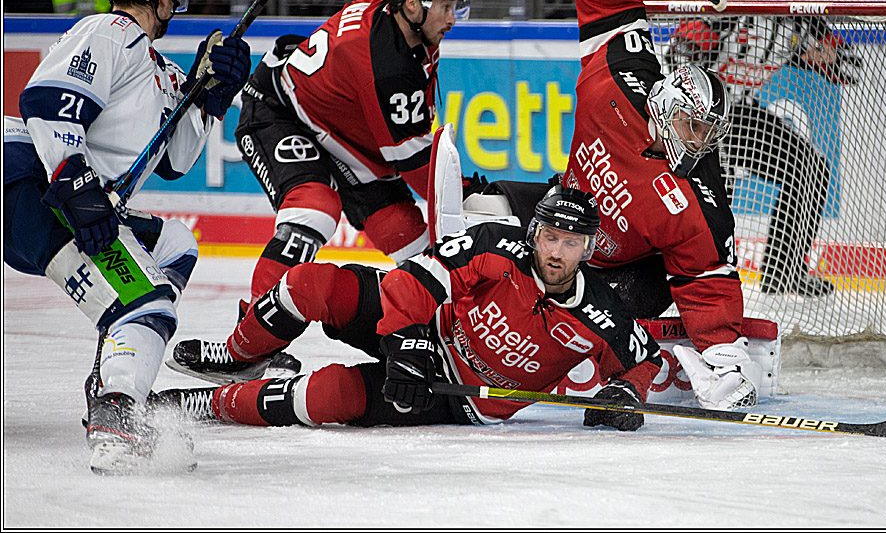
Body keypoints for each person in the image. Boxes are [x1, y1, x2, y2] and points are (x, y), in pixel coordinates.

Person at [434, 0, 763, 412]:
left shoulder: (696, 200)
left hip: (627, 270)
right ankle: (430, 324)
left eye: (709, 132)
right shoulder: (618, 79)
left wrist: (724, 353)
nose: (700, 140)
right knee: (475, 208)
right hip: (565, 217)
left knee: (603, 313)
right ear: (666, 108)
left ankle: (607, 375)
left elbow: (708, 277)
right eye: (692, 125)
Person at [2, 0, 251, 473]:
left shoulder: (156, 67)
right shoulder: (108, 33)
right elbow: (47, 103)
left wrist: (211, 96)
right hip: (28, 182)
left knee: (175, 245)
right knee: (146, 304)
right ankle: (116, 417)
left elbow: (176, 158)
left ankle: (112, 369)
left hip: (53, 196)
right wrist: (75, 184)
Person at [157, 186, 662, 433]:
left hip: (457, 397)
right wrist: (407, 342)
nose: (556, 253)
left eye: (571, 243)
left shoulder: (603, 313)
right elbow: (417, 278)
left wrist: (624, 392)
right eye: (549, 237)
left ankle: (216, 405)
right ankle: (239, 355)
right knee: (309, 283)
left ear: (589, 249)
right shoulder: (499, 244)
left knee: (328, 394)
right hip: (422, 327)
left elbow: (646, 360)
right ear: (533, 234)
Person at [230, 0, 479, 343]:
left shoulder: (403, 26)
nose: (453, 19)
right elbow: (416, 165)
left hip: (344, 134)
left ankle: (451, 337)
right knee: (313, 212)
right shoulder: (389, 64)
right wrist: (466, 198)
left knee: (416, 246)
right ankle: (253, 335)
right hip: (279, 113)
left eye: (456, 6)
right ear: (412, 3)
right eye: (446, 6)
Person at [669, 0, 861, 297]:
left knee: (809, 169)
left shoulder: (802, 19)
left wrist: (826, 58)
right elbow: (679, 54)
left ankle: (783, 271)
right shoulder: (734, 5)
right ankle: (689, 277)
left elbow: (851, 69)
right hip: (695, 118)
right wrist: (699, 55)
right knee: (708, 195)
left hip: (740, 115)